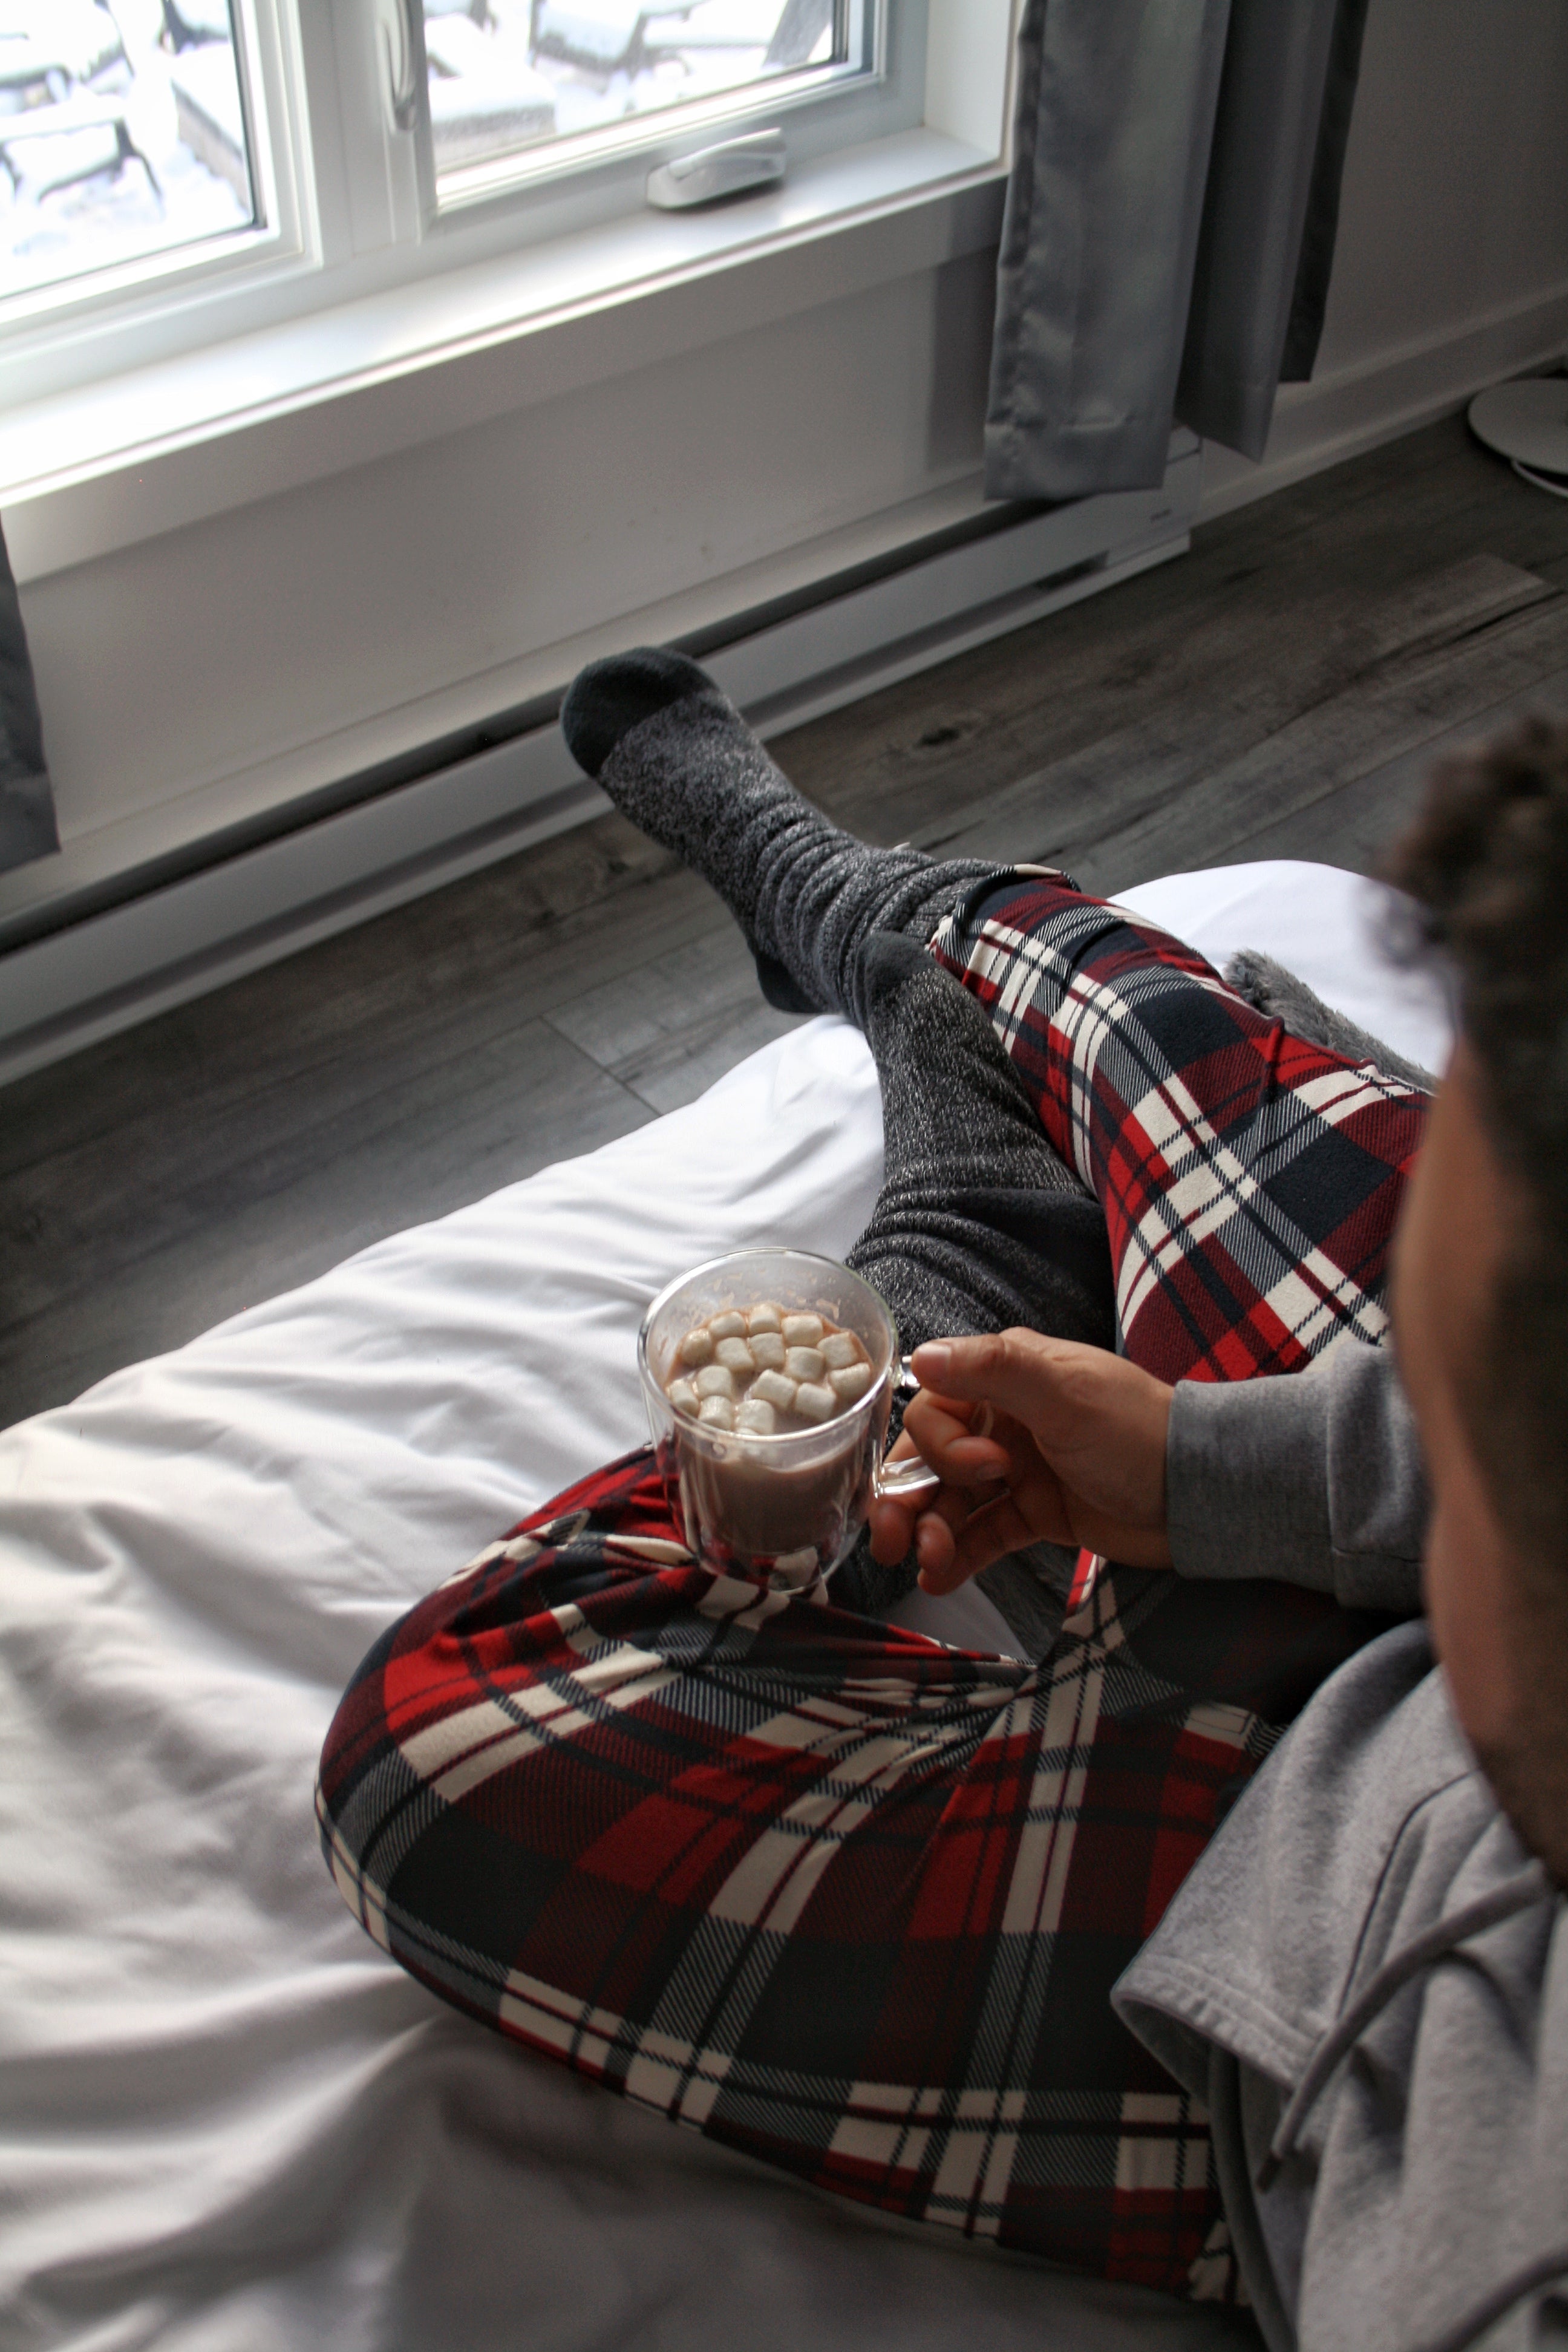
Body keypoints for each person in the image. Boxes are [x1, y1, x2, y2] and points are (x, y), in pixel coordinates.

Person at [317, 656, 1566, 2344]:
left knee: (433, 1754)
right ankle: (854, 909)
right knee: (1136, 1004)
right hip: (1436, 1637)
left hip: (1285, 2055)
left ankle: (975, 1239)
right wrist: (1210, 1471)